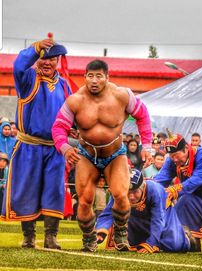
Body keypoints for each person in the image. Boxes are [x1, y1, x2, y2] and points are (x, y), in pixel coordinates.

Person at [52, 59, 152, 252]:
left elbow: (143, 115)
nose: (94, 80)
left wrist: (147, 145)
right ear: (85, 77)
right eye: (90, 76)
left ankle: (121, 234)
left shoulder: (122, 95)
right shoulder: (75, 100)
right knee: (84, 201)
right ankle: (89, 239)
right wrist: (65, 148)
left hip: (115, 154)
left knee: (121, 195)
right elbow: (58, 127)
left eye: (99, 76)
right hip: (87, 155)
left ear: (107, 77)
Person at [0, 36, 72, 250]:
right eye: (43, 58)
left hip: (54, 148)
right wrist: (35, 48)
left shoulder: (65, 85)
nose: (47, 62)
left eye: (52, 59)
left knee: (54, 190)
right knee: (26, 189)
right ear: (37, 60)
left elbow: (74, 112)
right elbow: (18, 64)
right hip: (29, 146)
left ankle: (51, 237)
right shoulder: (28, 79)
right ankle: (28, 237)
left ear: (58, 61)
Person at [96, 169, 200, 253]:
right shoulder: (120, 191)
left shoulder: (155, 190)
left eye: (135, 192)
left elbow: (158, 219)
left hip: (164, 215)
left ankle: (186, 237)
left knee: (174, 246)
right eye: (128, 192)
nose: (131, 197)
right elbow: (108, 213)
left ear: (143, 186)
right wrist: (100, 232)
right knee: (132, 245)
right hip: (135, 218)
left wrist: (151, 244)